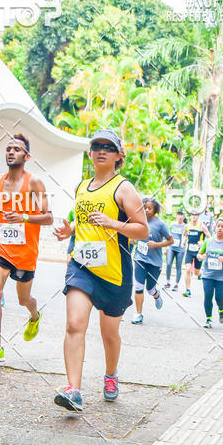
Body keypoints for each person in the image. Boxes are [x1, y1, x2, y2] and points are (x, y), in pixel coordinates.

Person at [53, 130, 148, 411]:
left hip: (114, 273)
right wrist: (69, 230)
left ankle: (110, 374)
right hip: (81, 267)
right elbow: (84, 221)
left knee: (109, 334)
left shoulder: (124, 188)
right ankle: (73, 390)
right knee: (74, 324)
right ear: (90, 153)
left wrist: (113, 223)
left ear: (118, 155)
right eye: (96, 146)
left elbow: (142, 230)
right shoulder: (82, 187)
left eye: (108, 147)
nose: (101, 150)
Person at [0, 135, 52, 364]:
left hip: (26, 252)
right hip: (0, 247)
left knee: (23, 299)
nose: (11, 152)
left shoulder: (35, 183)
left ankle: (34, 315)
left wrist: (24, 217)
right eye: (8, 148)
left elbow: (48, 217)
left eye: (16, 149)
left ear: (26, 156)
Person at [131, 198, 173, 324]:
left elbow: (171, 241)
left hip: (154, 262)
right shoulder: (139, 221)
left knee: (150, 288)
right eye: (144, 207)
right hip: (140, 258)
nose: (146, 210)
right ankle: (138, 314)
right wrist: (133, 239)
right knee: (138, 286)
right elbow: (134, 237)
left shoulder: (160, 224)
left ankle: (156, 294)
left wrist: (156, 244)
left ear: (155, 209)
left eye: (149, 208)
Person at [197, 217, 223, 327]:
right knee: (208, 296)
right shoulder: (208, 241)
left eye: (222, 227)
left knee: (219, 298)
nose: (220, 228)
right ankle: (208, 319)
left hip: (222, 276)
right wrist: (201, 257)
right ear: (215, 228)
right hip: (208, 275)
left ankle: (221, 310)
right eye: (218, 226)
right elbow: (199, 254)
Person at [182, 211, 210, 297]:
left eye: (196, 215)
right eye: (192, 215)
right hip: (189, 251)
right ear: (190, 216)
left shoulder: (202, 226)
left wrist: (203, 243)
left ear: (198, 216)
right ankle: (187, 290)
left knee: (196, 273)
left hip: (199, 252)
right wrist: (183, 242)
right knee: (188, 269)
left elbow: (209, 238)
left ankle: (200, 274)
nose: (194, 216)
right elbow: (184, 235)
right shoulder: (187, 226)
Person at [164, 210, 186, 291]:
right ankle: (168, 282)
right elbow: (167, 236)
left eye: (182, 215)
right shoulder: (172, 225)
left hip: (180, 249)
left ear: (184, 217)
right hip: (171, 247)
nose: (180, 216)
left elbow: (186, 237)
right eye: (179, 214)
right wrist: (165, 248)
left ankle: (176, 284)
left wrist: (183, 243)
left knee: (178, 266)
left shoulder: (185, 226)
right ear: (176, 216)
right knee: (168, 263)